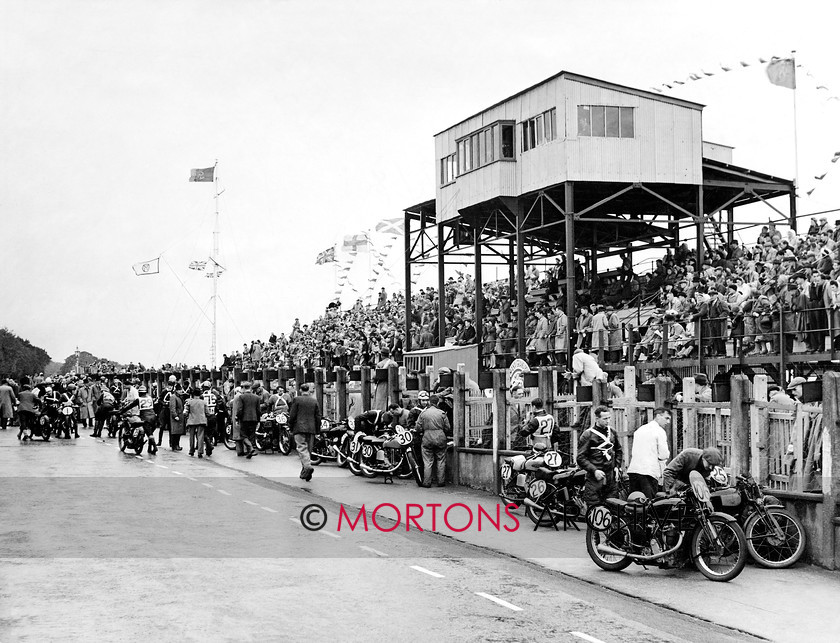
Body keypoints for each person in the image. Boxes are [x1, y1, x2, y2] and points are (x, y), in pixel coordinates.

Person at [576, 405, 623, 504]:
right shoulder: (588, 435)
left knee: (612, 506)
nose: (608, 421)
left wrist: (617, 466)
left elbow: (618, 450)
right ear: (597, 418)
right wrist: (594, 470)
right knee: (594, 507)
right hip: (595, 478)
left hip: (611, 477)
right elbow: (580, 458)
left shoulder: (612, 432)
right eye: (605, 419)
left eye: (609, 418)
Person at [626, 407, 671, 498]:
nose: (668, 422)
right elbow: (663, 454)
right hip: (648, 472)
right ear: (658, 416)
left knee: (634, 502)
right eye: (666, 418)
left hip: (634, 470)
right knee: (648, 503)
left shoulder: (640, 430)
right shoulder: (659, 431)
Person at [416, 394, 451, 488]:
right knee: (441, 459)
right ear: (438, 402)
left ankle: (427, 482)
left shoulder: (423, 413)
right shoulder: (442, 413)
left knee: (427, 461)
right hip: (440, 438)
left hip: (427, 438)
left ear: (429, 402)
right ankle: (441, 482)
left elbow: (418, 428)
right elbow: (448, 428)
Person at [288, 383, 321, 481]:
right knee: (308, 450)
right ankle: (305, 472)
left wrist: (290, 426)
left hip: (299, 427)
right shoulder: (314, 401)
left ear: (300, 390)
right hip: (311, 428)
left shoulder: (297, 400)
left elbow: (292, 415)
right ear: (309, 390)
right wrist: (318, 430)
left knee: (302, 448)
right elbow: (318, 416)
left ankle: (307, 467)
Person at [235, 381, 261, 459]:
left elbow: (240, 409)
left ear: (243, 388)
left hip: (244, 418)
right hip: (254, 418)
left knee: (243, 435)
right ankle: (250, 452)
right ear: (250, 388)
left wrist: (237, 417)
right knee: (252, 435)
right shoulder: (256, 397)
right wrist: (258, 419)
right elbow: (258, 410)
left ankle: (250, 447)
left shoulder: (241, 397)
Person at [185, 387, 209, 458]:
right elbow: (207, 412)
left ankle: (191, 450)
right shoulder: (203, 402)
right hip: (201, 420)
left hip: (192, 420)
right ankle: (200, 452)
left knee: (191, 436)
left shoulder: (189, 402)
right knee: (200, 436)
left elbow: (186, 412)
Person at [137, 385, 158, 454]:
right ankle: (149, 448)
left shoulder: (139, 399)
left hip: (146, 418)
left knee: (149, 434)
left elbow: (130, 406)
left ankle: (155, 447)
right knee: (150, 433)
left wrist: (121, 411)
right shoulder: (150, 398)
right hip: (153, 417)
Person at [168, 384, 185, 451]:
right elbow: (172, 408)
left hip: (180, 416)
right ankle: (174, 445)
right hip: (176, 417)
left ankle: (177, 445)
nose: (180, 391)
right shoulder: (173, 397)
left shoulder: (180, 397)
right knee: (175, 432)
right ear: (176, 390)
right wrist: (175, 415)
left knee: (179, 432)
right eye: (179, 390)